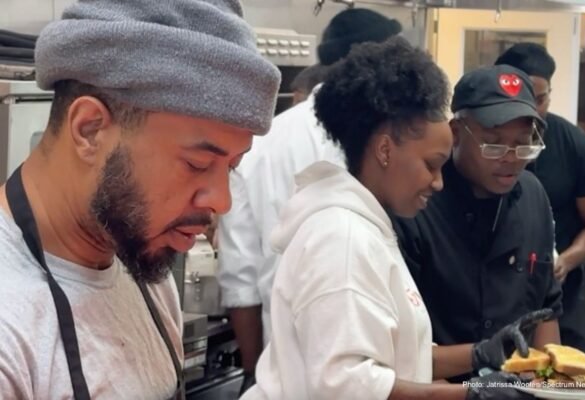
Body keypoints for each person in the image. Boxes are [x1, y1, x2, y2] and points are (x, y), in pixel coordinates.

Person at [241, 36, 547, 400]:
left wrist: (479, 354)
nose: (438, 182)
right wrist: (470, 394)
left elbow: (398, 356)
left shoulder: (367, 229)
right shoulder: (341, 238)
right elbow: (349, 386)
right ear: (385, 149)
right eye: (431, 165)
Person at [0, 0, 280, 399]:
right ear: (90, 130)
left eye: (231, 167)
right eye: (198, 164)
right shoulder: (10, 330)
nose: (222, 202)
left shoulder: (144, 266)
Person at [217, 7, 402, 392]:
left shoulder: (263, 141)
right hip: (368, 371)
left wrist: (254, 373)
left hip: (283, 371)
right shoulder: (375, 143)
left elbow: (241, 279)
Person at [394, 64, 563, 383]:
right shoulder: (418, 202)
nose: (511, 157)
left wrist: (550, 382)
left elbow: (547, 308)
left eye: (523, 143)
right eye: (494, 143)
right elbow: (400, 349)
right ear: (456, 133)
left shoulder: (533, 195)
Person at [496, 42, 585, 361]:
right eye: (522, 100)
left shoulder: (577, 147)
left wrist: (566, 260)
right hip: (500, 286)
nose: (531, 109)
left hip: (564, 287)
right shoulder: (479, 145)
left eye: (539, 99)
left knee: (578, 371)